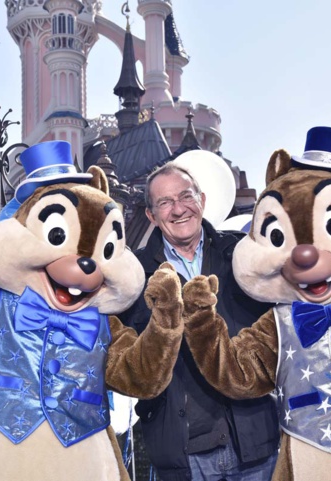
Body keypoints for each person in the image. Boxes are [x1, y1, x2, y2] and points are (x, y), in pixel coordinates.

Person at [119, 163, 279, 481]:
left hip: (255, 442)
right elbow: (120, 352)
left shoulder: (242, 253)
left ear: (201, 200)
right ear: (151, 215)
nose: (179, 209)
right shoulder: (134, 275)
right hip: (183, 454)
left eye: (185, 196)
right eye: (165, 202)